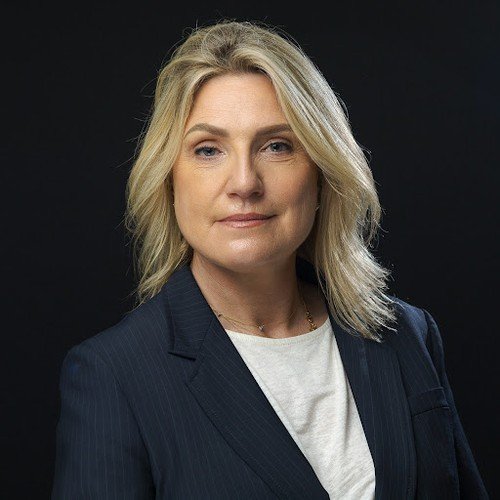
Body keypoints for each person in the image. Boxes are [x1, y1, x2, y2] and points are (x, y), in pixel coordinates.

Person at [51, 20, 488, 499]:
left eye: (277, 146)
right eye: (208, 150)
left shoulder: (408, 334)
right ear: (169, 179)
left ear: (322, 172)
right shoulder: (113, 374)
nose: (244, 182)